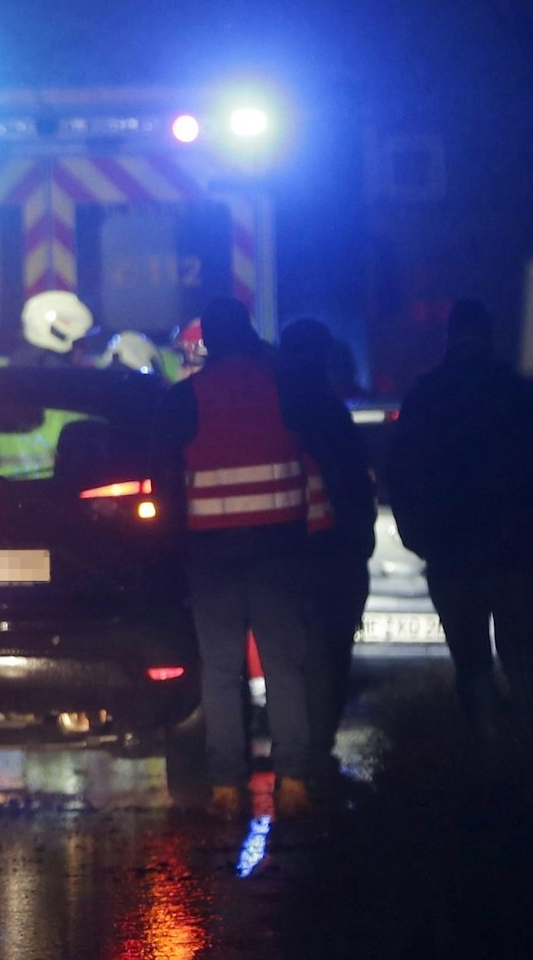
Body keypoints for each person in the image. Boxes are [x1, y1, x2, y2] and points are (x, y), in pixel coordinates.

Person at [157, 297, 321, 820]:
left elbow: (166, 476)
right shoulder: (285, 386)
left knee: (222, 669)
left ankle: (227, 788)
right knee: (283, 665)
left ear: (209, 342)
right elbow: (314, 457)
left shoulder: (185, 399)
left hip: (212, 551)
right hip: (279, 547)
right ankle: (294, 782)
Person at [388, 299, 533, 746]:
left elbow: (400, 473)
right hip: (510, 553)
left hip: (451, 556)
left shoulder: (425, 397)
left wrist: (420, 537)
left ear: (449, 337)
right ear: (489, 335)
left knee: (472, 667)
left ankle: (487, 755)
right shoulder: (518, 394)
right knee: (522, 661)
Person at [276, 318, 376, 787]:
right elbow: (353, 487)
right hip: (332, 555)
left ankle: (298, 758)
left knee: (291, 662)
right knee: (328, 658)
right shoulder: (331, 413)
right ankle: (314, 757)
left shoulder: (274, 408)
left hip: (281, 555)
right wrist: (359, 547)